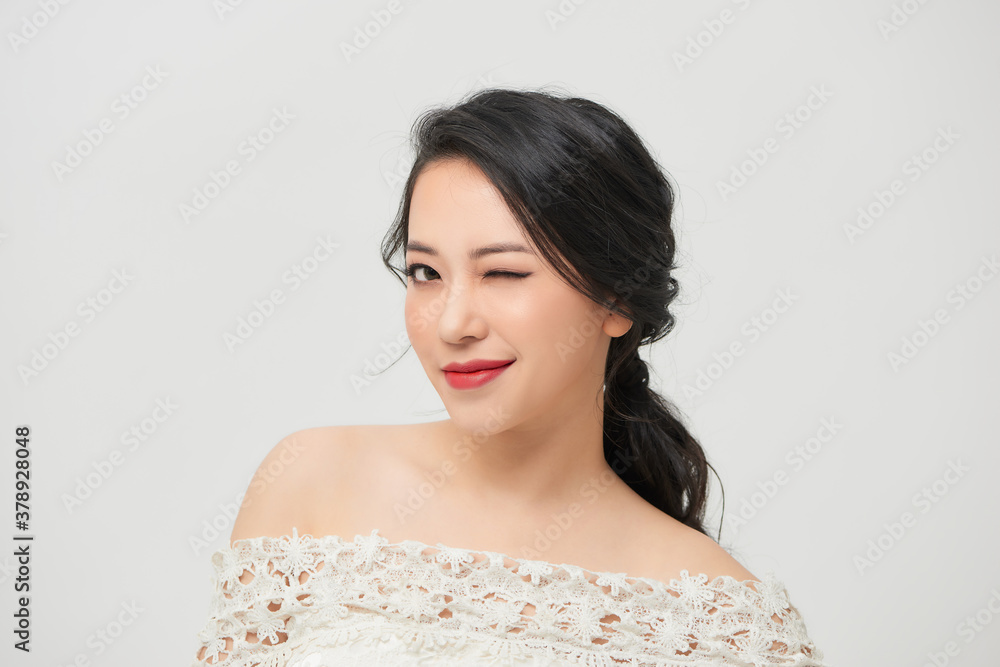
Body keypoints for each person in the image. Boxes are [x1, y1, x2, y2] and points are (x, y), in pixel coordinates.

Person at [191, 87, 827, 666]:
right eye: (425, 274)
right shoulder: (315, 478)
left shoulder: (729, 624)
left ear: (617, 300)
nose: (453, 324)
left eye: (503, 273)